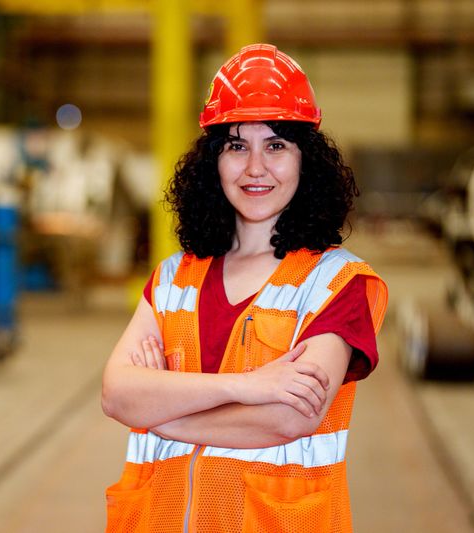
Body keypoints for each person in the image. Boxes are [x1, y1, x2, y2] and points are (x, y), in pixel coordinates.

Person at [101, 43, 388, 533]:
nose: (256, 167)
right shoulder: (173, 277)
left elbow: (286, 417)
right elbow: (116, 394)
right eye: (237, 145)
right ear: (213, 162)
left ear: (306, 161)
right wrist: (247, 386)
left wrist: (164, 413)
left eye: (276, 145)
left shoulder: (337, 285)